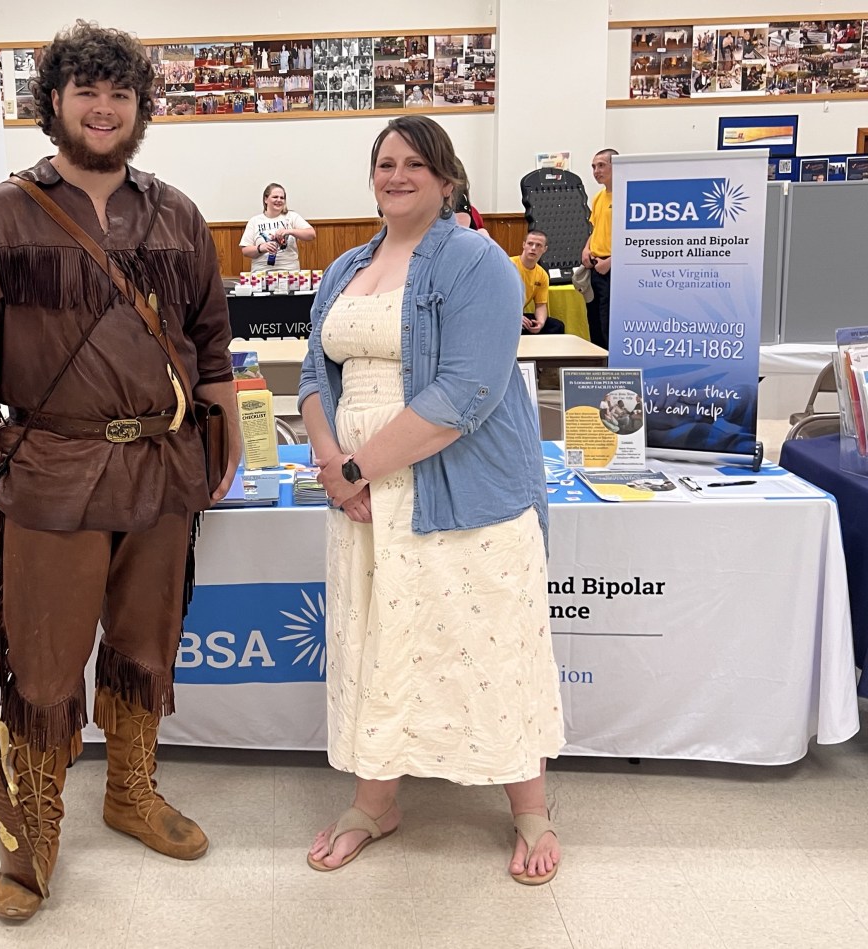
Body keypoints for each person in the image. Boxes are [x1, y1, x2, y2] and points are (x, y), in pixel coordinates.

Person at [0, 20, 241, 921]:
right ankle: (35, 826)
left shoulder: (176, 214)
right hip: (54, 467)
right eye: (87, 92)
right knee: (46, 663)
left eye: (120, 94)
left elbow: (210, 341)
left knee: (145, 644)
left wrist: (225, 433)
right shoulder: (0, 213)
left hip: (163, 466)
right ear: (54, 103)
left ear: (140, 107)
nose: (104, 109)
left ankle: (130, 790)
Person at [298, 115, 565, 884]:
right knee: (382, 641)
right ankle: (374, 803)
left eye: (415, 163)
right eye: (385, 163)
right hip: (362, 497)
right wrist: (331, 459)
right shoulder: (345, 267)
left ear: (447, 180)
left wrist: (358, 467)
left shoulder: (478, 261)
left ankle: (531, 809)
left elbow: (467, 391)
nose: (397, 175)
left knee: (491, 643)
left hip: (463, 492)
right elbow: (316, 374)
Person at [580, 148, 617, 349]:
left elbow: (630, 239)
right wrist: (586, 249)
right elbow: (595, 229)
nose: (596, 171)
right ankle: (598, 361)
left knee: (607, 321)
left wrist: (610, 262)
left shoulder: (626, 196)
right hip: (595, 267)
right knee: (593, 320)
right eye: (593, 167)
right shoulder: (598, 197)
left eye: (601, 165)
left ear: (616, 166)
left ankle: (611, 363)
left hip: (612, 268)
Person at [239, 182, 316, 271]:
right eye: (275, 197)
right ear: (266, 199)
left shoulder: (292, 216)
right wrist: (261, 248)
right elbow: (245, 251)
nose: (279, 200)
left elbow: (311, 234)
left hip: (290, 273)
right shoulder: (254, 221)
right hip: (261, 273)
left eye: (282, 198)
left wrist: (289, 231)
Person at [510, 229, 564, 335]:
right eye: (530, 244)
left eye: (538, 245)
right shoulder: (508, 265)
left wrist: (540, 323)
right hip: (500, 314)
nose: (533, 248)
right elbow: (494, 299)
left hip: (519, 315)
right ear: (524, 245)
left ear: (545, 249)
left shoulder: (542, 275)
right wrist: (514, 316)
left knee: (556, 326)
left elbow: (540, 305)